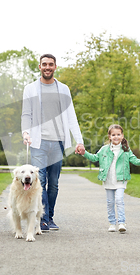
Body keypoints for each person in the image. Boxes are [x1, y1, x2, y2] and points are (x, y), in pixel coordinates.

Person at [21, 54, 85, 232]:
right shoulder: (31, 89)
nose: (47, 67)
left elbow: (71, 116)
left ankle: (49, 217)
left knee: (54, 183)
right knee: (39, 180)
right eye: (44, 64)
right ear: (39, 66)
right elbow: (26, 113)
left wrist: (79, 141)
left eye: (50, 64)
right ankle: (42, 219)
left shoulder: (63, 89)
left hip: (57, 143)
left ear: (55, 67)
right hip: (38, 143)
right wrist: (25, 132)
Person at [79, 124, 140, 232]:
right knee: (110, 202)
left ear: (122, 136)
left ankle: (121, 223)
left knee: (119, 200)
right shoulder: (104, 149)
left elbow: (134, 160)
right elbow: (94, 157)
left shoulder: (126, 150)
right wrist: (84, 153)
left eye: (118, 134)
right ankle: (112, 223)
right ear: (109, 136)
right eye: (113, 134)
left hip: (121, 179)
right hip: (108, 179)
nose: (116, 137)